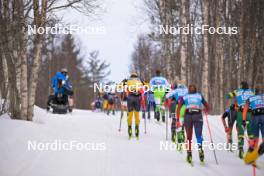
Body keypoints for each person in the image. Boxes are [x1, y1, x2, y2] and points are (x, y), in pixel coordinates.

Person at [177, 84, 209, 164]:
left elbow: (179, 107)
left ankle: (189, 154)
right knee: (199, 134)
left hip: (188, 116)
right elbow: (207, 105)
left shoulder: (185, 96)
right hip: (198, 115)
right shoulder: (199, 95)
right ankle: (200, 150)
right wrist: (206, 110)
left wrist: (178, 119)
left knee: (189, 136)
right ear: (196, 90)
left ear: (188, 90)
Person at [226, 81, 255, 158]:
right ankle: (252, 149)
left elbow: (228, 96)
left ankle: (241, 149)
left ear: (241, 86)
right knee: (250, 131)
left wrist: (232, 95)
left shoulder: (238, 91)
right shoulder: (252, 92)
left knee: (240, 130)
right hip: (250, 113)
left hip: (241, 113)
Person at [243, 86, 264, 165]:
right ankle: (255, 155)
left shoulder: (250, 98)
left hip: (254, 117)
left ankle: (252, 158)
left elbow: (245, 109)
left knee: (255, 139)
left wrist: (244, 120)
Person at [123, 72, 144, 139]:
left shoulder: (128, 80)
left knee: (130, 114)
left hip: (130, 98)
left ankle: (129, 128)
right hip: (138, 98)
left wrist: (124, 98)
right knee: (137, 114)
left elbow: (125, 90)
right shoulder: (139, 81)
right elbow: (142, 90)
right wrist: (143, 99)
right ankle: (137, 128)